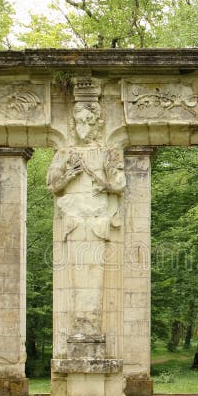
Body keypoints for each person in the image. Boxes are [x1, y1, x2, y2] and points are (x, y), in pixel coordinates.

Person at [47, 101, 126, 337]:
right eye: (79, 121)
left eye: (88, 122)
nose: (83, 127)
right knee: (74, 279)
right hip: (73, 218)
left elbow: (120, 184)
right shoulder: (65, 152)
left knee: (94, 277)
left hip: (97, 219)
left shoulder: (108, 151)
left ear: (97, 124)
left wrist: (104, 184)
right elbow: (52, 185)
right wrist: (68, 176)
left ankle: (90, 335)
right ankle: (81, 335)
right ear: (73, 124)